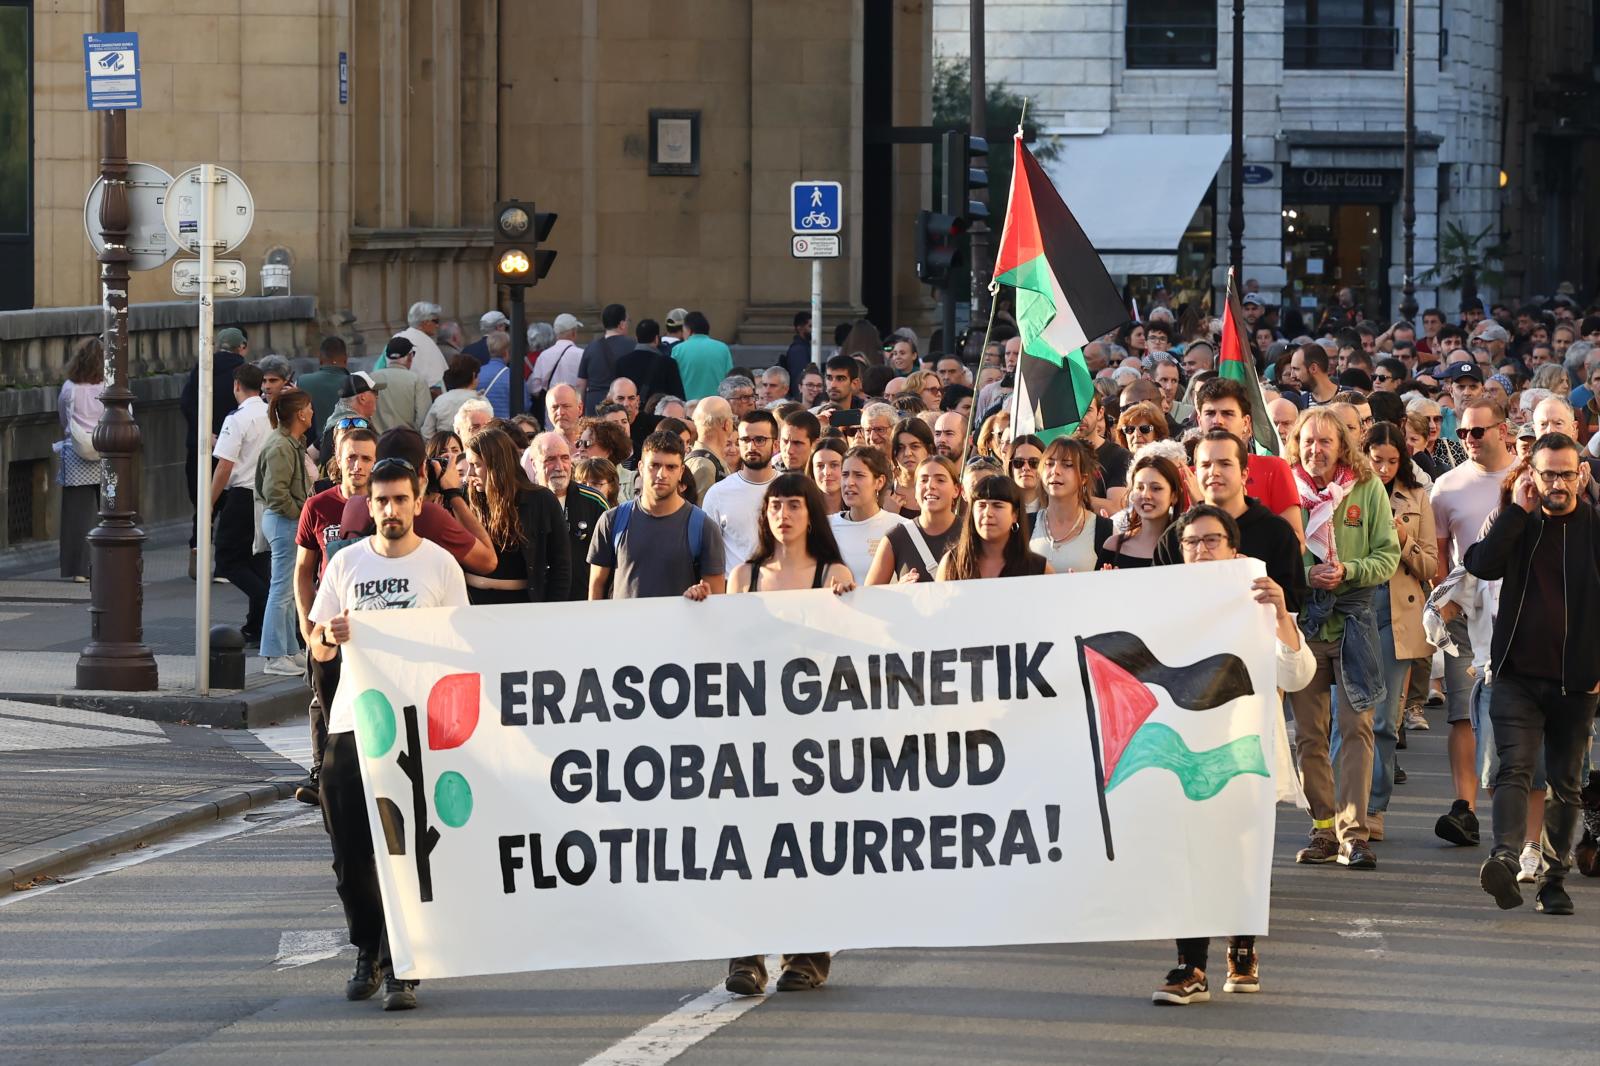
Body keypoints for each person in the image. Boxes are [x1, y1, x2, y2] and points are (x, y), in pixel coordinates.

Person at [308, 455, 469, 1012]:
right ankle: (367, 951)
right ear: (367, 505)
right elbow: (318, 644)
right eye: (382, 501)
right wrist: (328, 630)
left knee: (406, 849)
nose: (392, 510)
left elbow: (460, 648)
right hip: (355, 722)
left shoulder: (441, 566)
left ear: (418, 501)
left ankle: (404, 963)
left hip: (415, 728)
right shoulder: (346, 564)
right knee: (351, 847)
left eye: (401, 499)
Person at [1153, 504, 1316, 1006]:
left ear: (1233, 549)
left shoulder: (1259, 605)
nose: (1200, 550)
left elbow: (1297, 676)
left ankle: (1242, 948)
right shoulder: (1159, 605)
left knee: (1240, 851)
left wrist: (1282, 618)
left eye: (1210, 541)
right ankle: (1191, 965)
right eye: (1191, 542)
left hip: (1243, 751)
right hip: (1183, 751)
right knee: (1187, 854)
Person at [1466, 433, 1600, 916]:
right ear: (1533, 476)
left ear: (1582, 474)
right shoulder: (1516, 521)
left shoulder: (1595, 527)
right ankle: (1504, 857)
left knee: (1566, 785)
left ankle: (1553, 880)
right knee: (1514, 768)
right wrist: (1516, 514)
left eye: (1567, 473)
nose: (1558, 483)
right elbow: (1480, 566)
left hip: (1577, 682)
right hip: (1516, 675)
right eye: (1548, 474)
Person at [1283, 408, 1400, 868]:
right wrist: (1306, 574)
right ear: (1296, 444)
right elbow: (1277, 557)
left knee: (1357, 729)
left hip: (1355, 619)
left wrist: (1349, 570)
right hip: (1306, 625)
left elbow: (1386, 556)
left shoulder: (1366, 488)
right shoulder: (1285, 490)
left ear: (1341, 446)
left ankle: (1355, 832)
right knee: (1309, 735)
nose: (1316, 449)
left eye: (1325, 442)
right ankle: (1324, 829)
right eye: (1308, 441)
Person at [1429, 396, 1516, 848]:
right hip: (1467, 612)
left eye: (1477, 432)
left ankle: (1512, 801)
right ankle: (1464, 808)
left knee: (1510, 713)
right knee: (1462, 711)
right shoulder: (1445, 487)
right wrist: (1445, 604)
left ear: (1503, 430)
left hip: (1520, 612)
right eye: (1461, 433)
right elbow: (1442, 558)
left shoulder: (1526, 476)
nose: (1468, 440)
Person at [290, 426, 379, 806]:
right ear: (337, 462)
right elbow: (303, 570)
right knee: (322, 695)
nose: (357, 466)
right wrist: (306, 621)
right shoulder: (318, 506)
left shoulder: (385, 504)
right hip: (329, 620)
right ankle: (320, 770)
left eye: (366, 459)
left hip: (374, 620)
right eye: (351, 458)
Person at [1361, 423, 1437, 842]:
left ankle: (1375, 808)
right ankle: (1347, 806)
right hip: (1356, 610)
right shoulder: (1348, 495)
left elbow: (1430, 566)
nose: (1386, 468)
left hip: (1397, 615)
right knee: (1348, 719)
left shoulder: (1417, 498)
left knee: (1385, 721)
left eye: (1393, 461)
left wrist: (1404, 535)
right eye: (1378, 461)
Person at [587, 430, 727, 600]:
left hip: (680, 626)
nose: (662, 474)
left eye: (671, 467)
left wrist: (700, 595)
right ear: (640, 468)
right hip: (623, 626)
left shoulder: (703, 527)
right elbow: (596, 588)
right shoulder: (612, 520)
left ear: (681, 471)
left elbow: (715, 598)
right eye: (654, 465)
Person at [458, 425, 569, 605]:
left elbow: (561, 566)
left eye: (476, 465)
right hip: (470, 603)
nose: (469, 474)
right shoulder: (464, 497)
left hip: (522, 606)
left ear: (497, 464)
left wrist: (552, 613)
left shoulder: (541, 500)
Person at [1194, 378, 1306, 545]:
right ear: (1199, 420)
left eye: (1227, 413)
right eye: (1210, 413)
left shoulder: (1274, 468)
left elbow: (1296, 543)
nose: (1217, 420)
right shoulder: (1187, 476)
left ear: (1246, 422)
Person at [208, 364, 272, 642]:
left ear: (237, 385)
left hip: (242, 495)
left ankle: (269, 604)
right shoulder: (272, 414)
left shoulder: (237, 419)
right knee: (257, 560)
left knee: (228, 558)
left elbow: (225, 466)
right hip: (267, 494)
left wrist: (208, 502)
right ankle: (257, 624)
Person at [257, 389, 316, 675]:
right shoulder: (282, 445)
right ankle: (273, 655)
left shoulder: (289, 442)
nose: (313, 413)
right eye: (309, 408)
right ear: (300, 414)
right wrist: (301, 514)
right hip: (284, 520)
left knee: (288, 590)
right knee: (281, 589)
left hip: (285, 519)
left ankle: (289, 649)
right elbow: (274, 492)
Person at [180, 326, 247, 576]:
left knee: (204, 503)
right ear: (242, 348)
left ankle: (198, 552)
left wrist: (203, 433)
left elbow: (186, 402)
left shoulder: (201, 370)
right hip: (232, 449)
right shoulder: (243, 374)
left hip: (200, 447)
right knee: (229, 505)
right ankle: (222, 565)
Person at [525, 431, 609, 601]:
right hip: (536, 608)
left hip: (583, 607)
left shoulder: (594, 501)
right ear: (534, 464)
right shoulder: (522, 503)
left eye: (564, 458)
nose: (559, 466)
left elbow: (609, 558)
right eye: (550, 459)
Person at [702, 410, 782, 569]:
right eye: (745, 440)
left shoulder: (791, 487)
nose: (751, 446)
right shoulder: (718, 493)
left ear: (775, 445)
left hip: (781, 587)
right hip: (734, 589)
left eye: (760, 440)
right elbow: (708, 554)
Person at [866, 455, 961, 583]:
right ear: (915, 491)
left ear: (956, 490)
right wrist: (898, 590)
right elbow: (869, 597)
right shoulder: (895, 537)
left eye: (940, 480)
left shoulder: (972, 534)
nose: (931, 485)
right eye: (923, 480)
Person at [937, 474, 1053, 580]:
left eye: (998, 506)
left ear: (1015, 515)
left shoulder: (1038, 569)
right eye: (982, 505)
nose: (988, 513)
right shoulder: (951, 563)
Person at [56, 338, 105, 582]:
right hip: (107, 452)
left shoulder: (69, 388)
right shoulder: (110, 387)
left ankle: (78, 568)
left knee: (77, 515)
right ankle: (106, 563)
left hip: (77, 453)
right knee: (111, 513)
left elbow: (64, 420)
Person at [828, 446, 913, 580]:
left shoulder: (901, 527)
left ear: (879, 482)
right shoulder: (826, 526)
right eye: (845, 474)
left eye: (859, 475)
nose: (849, 482)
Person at [1029, 437, 1111, 573]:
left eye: (1067, 465)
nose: (1055, 471)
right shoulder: (1024, 525)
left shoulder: (1105, 529)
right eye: (1049, 464)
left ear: (1083, 478)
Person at [1099, 450, 1186, 569]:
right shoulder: (1113, 546)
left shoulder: (1188, 547)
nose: (1145, 495)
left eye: (1156, 488)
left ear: (1174, 496)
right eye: (1139, 488)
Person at [576, 303, 635, 413]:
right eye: (628, 321)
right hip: (621, 404)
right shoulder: (633, 346)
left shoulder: (591, 347)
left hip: (594, 404)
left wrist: (580, 408)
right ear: (622, 324)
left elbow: (580, 384)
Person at [671, 311, 734, 401]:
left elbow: (672, 381)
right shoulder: (723, 348)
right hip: (717, 405)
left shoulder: (678, 349)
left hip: (687, 406)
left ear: (688, 330)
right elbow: (730, 379)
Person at [297, 336, 353, 437]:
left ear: (320, 359)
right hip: (346, 444)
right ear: (346, 359)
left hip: (310, 446)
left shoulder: (302, 382)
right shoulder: (356, 383)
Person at [395, 301, 449, 391]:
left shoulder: (396, 338)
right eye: (435, 321)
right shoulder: (427, 343)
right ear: (425, 322)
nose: (437, 325)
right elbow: (436, 381)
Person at [420, 356, 480, 438]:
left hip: (444, 447)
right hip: (471, 448)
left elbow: (427, 432)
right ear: (473, 376)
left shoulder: (440, 401)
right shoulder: (480, 402)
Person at [687, 395, 735, 499]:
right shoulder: (705, 466)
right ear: (726, 424)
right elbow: (704, 512)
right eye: (732, 418)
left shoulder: (708, 460)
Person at [1006, 434, 1046, 515]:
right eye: (1018, 462)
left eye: (1034, 462)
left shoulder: (1057, 507)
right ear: (1010, 467)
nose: (1026, 467)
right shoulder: (1000, 505)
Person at [809, 437, 847, 515]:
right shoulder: (803, 514)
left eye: (834, 465)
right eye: (820, 466)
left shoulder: (860, 513)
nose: (827, 472)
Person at [777, 410, 821, 474]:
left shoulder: (826, 479)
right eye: (785, 441)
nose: (789, 450)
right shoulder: (767, 476)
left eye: (797, 443)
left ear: (815, 444)